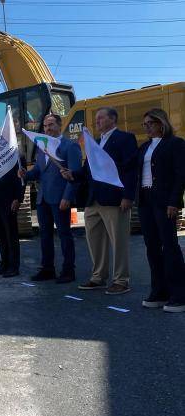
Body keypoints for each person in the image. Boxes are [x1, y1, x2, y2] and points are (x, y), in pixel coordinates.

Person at [61, 107, 138, 295]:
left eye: (101, 118)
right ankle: (98, 277)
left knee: (118, 242)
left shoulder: (125, 139)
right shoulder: (95, 143)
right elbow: (88, 171)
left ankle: (121, 280)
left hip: (114, 199)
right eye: (96, 119)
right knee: (94, 240)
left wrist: (128, 196)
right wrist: (72, 174)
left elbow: (130, 169)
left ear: (113, 118)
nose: (97, 121)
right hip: (93, 200)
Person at [19, 114, 82, 283]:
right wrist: (26, 174)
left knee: (64, 235)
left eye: (51, 125)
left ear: (59, 126)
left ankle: (68, 271)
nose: (47, 128)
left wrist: (67, 197)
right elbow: (39, 172)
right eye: (45, 126)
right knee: (45, 235)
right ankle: (48, 269)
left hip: (60, 199)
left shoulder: (70, 146)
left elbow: (75, 176)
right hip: (43, 199)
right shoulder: (42, 147)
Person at [136, 108, 185, 312]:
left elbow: (180, 174)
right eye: (144, 124)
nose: (147, 127)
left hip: (165, 202)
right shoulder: (144, 147)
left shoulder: (175, 144)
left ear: (161, 123)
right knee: (152, 246)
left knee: (170, 246)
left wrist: (174, 201)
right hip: (146, 200)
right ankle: (159, 291)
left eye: (150, 123)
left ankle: (179, 294)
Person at [0, 150, 25, 278]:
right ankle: (4, 264)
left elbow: (21, 179)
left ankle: (14, 267)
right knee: (1, 235)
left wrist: (18, 198)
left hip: (9, 200)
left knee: (11, 235)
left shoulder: (17, 156)